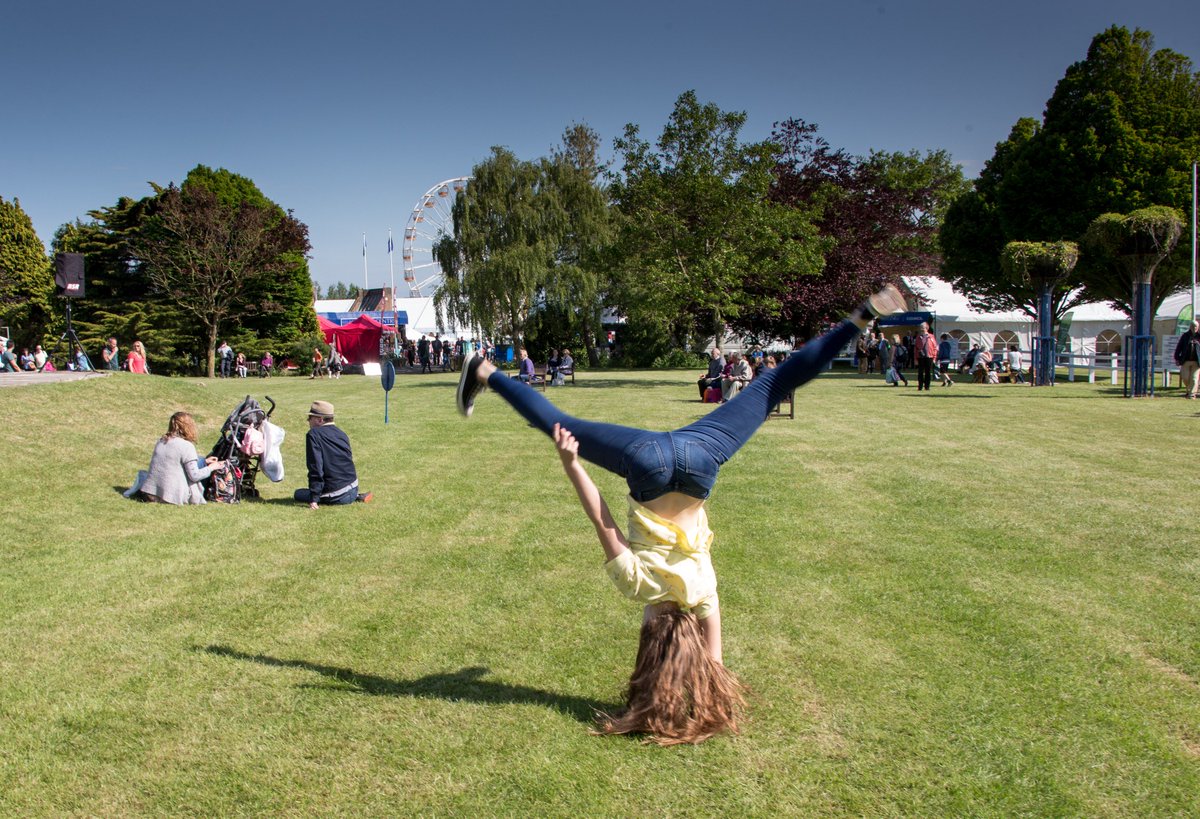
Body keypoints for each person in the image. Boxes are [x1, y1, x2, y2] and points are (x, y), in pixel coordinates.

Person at [455, 284, 906, 745]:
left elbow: (713, 662)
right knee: (553, 420)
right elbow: (602, 519)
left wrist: (707, 698)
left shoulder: (703, 595)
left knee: (775, 382)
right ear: (650, 637)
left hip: (700, 461)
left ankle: (861, 317)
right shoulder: (640, 587)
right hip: (646, 463)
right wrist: (571, 464)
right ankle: (486, 371)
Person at [294, 401, 372, 508]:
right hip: (353, 487)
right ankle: (356, 496)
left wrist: (314, 499)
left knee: (298, 493)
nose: (308, 421)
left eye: (310, 418)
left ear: (319, 419)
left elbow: (316, 467)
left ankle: (341, 497)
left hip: (336, 494)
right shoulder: (341, 434)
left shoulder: (314, 434)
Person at [139, 412, 225, 505]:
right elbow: (195, 476)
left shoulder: (162, 440)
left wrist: (205, 461)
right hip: (170, 497)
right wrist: (212, 467)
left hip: (149, 492)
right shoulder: (187, 446)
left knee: (200, 460)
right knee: (205, 471)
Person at [1174, 320, 1200, 399]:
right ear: (1190, 327)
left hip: (1197, 362)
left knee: (1194, 378)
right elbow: (1179, 347)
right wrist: (1177, 358)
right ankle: (1189, 390)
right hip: (1186, 361)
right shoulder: (1185, 336)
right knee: (1185, 377)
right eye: (1192, 326)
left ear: (1198, 327)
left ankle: (1192, 394)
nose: (1194, 328)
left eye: (1196, 326)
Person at [912, 322, 938, 391]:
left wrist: (934, 358)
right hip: (920, 357)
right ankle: (920, 386)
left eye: (922, 327)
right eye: (920, 327)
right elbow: (915, 348)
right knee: (920, 372)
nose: (921, 329)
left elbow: (935, 347)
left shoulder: (931, 336)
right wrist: (915, 359)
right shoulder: (918, 337)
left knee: (928, 372)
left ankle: (927, 386)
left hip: (929, 356)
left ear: (926, 328)